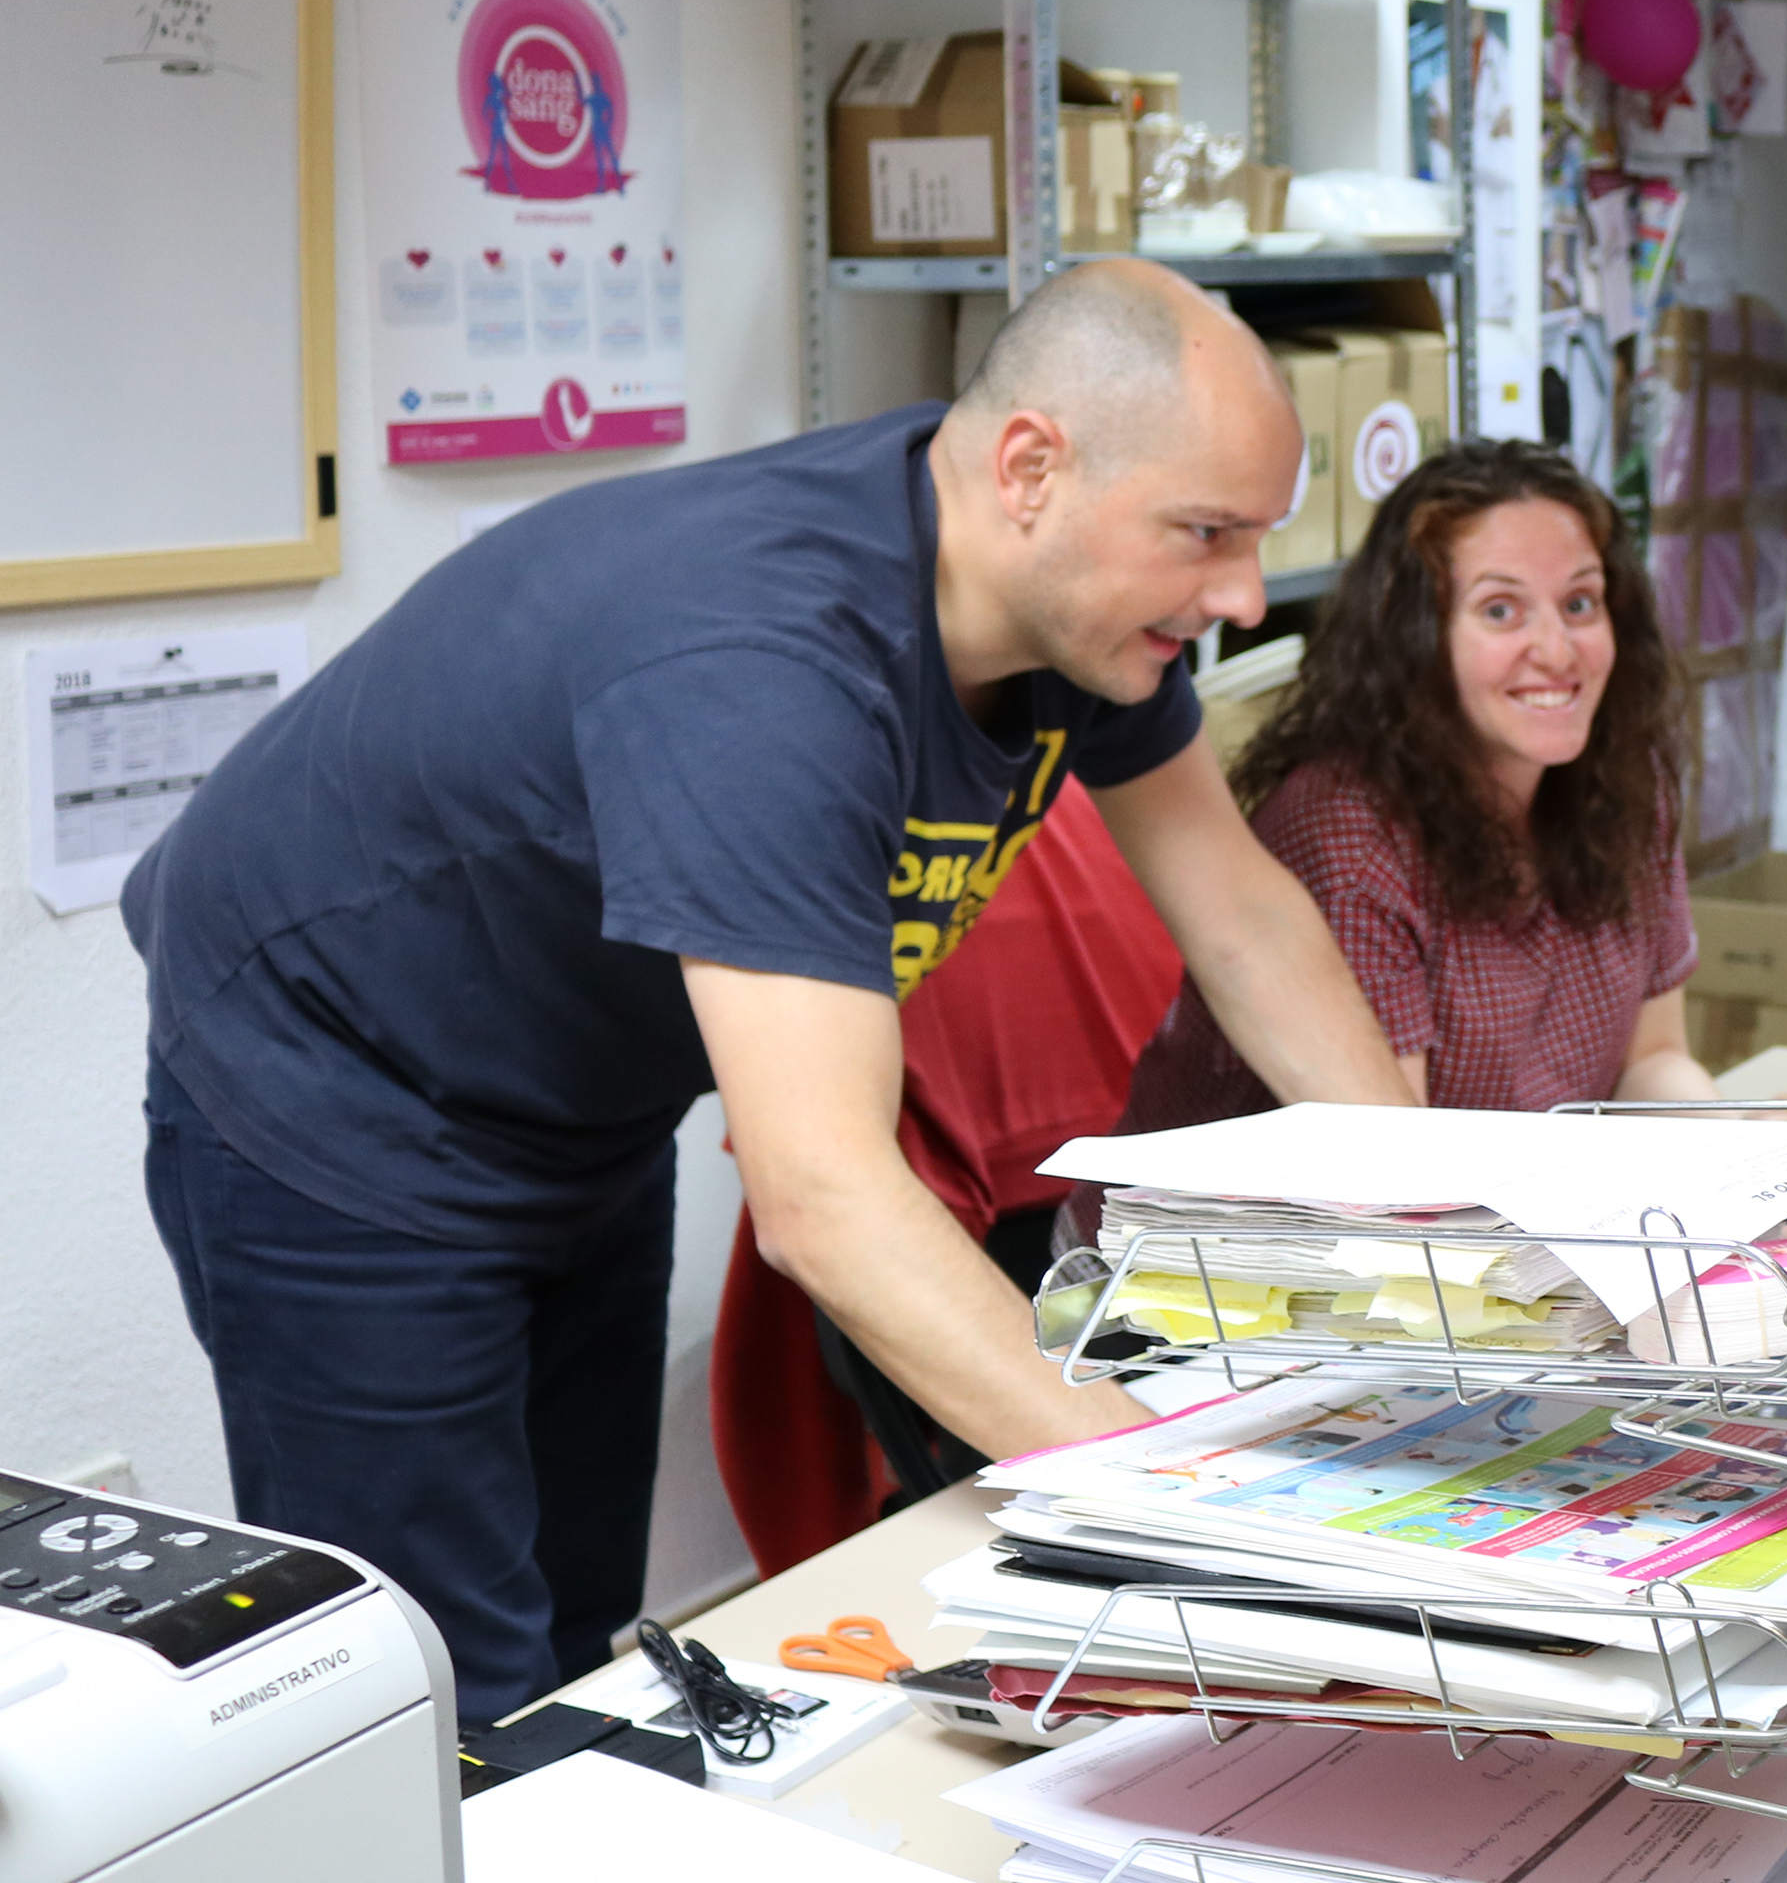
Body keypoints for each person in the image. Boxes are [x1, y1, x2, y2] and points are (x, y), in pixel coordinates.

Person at [125, 261, 1412, 1715]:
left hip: (575, 1098)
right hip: (333, 1087)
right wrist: (1181, 1503)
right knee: (441, 1691)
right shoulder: (767, 666)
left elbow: (1243, 918)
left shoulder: (1065, 606)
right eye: (1208, 533)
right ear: (1030, 468)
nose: (1240, 593)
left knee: (576, 1630)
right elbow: (826, 1200)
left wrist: (1468, 1232)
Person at [1089, 442, 1710, 1173]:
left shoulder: (1628, 784)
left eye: (1580, 604)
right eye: (1501, 610)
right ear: (1415, 636)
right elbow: (1391, 1167)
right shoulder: (1350, 838)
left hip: (1515, 1214)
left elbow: (1654, 1058)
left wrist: (1735, 1141)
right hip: (1269, 1234)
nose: (1556, 649)